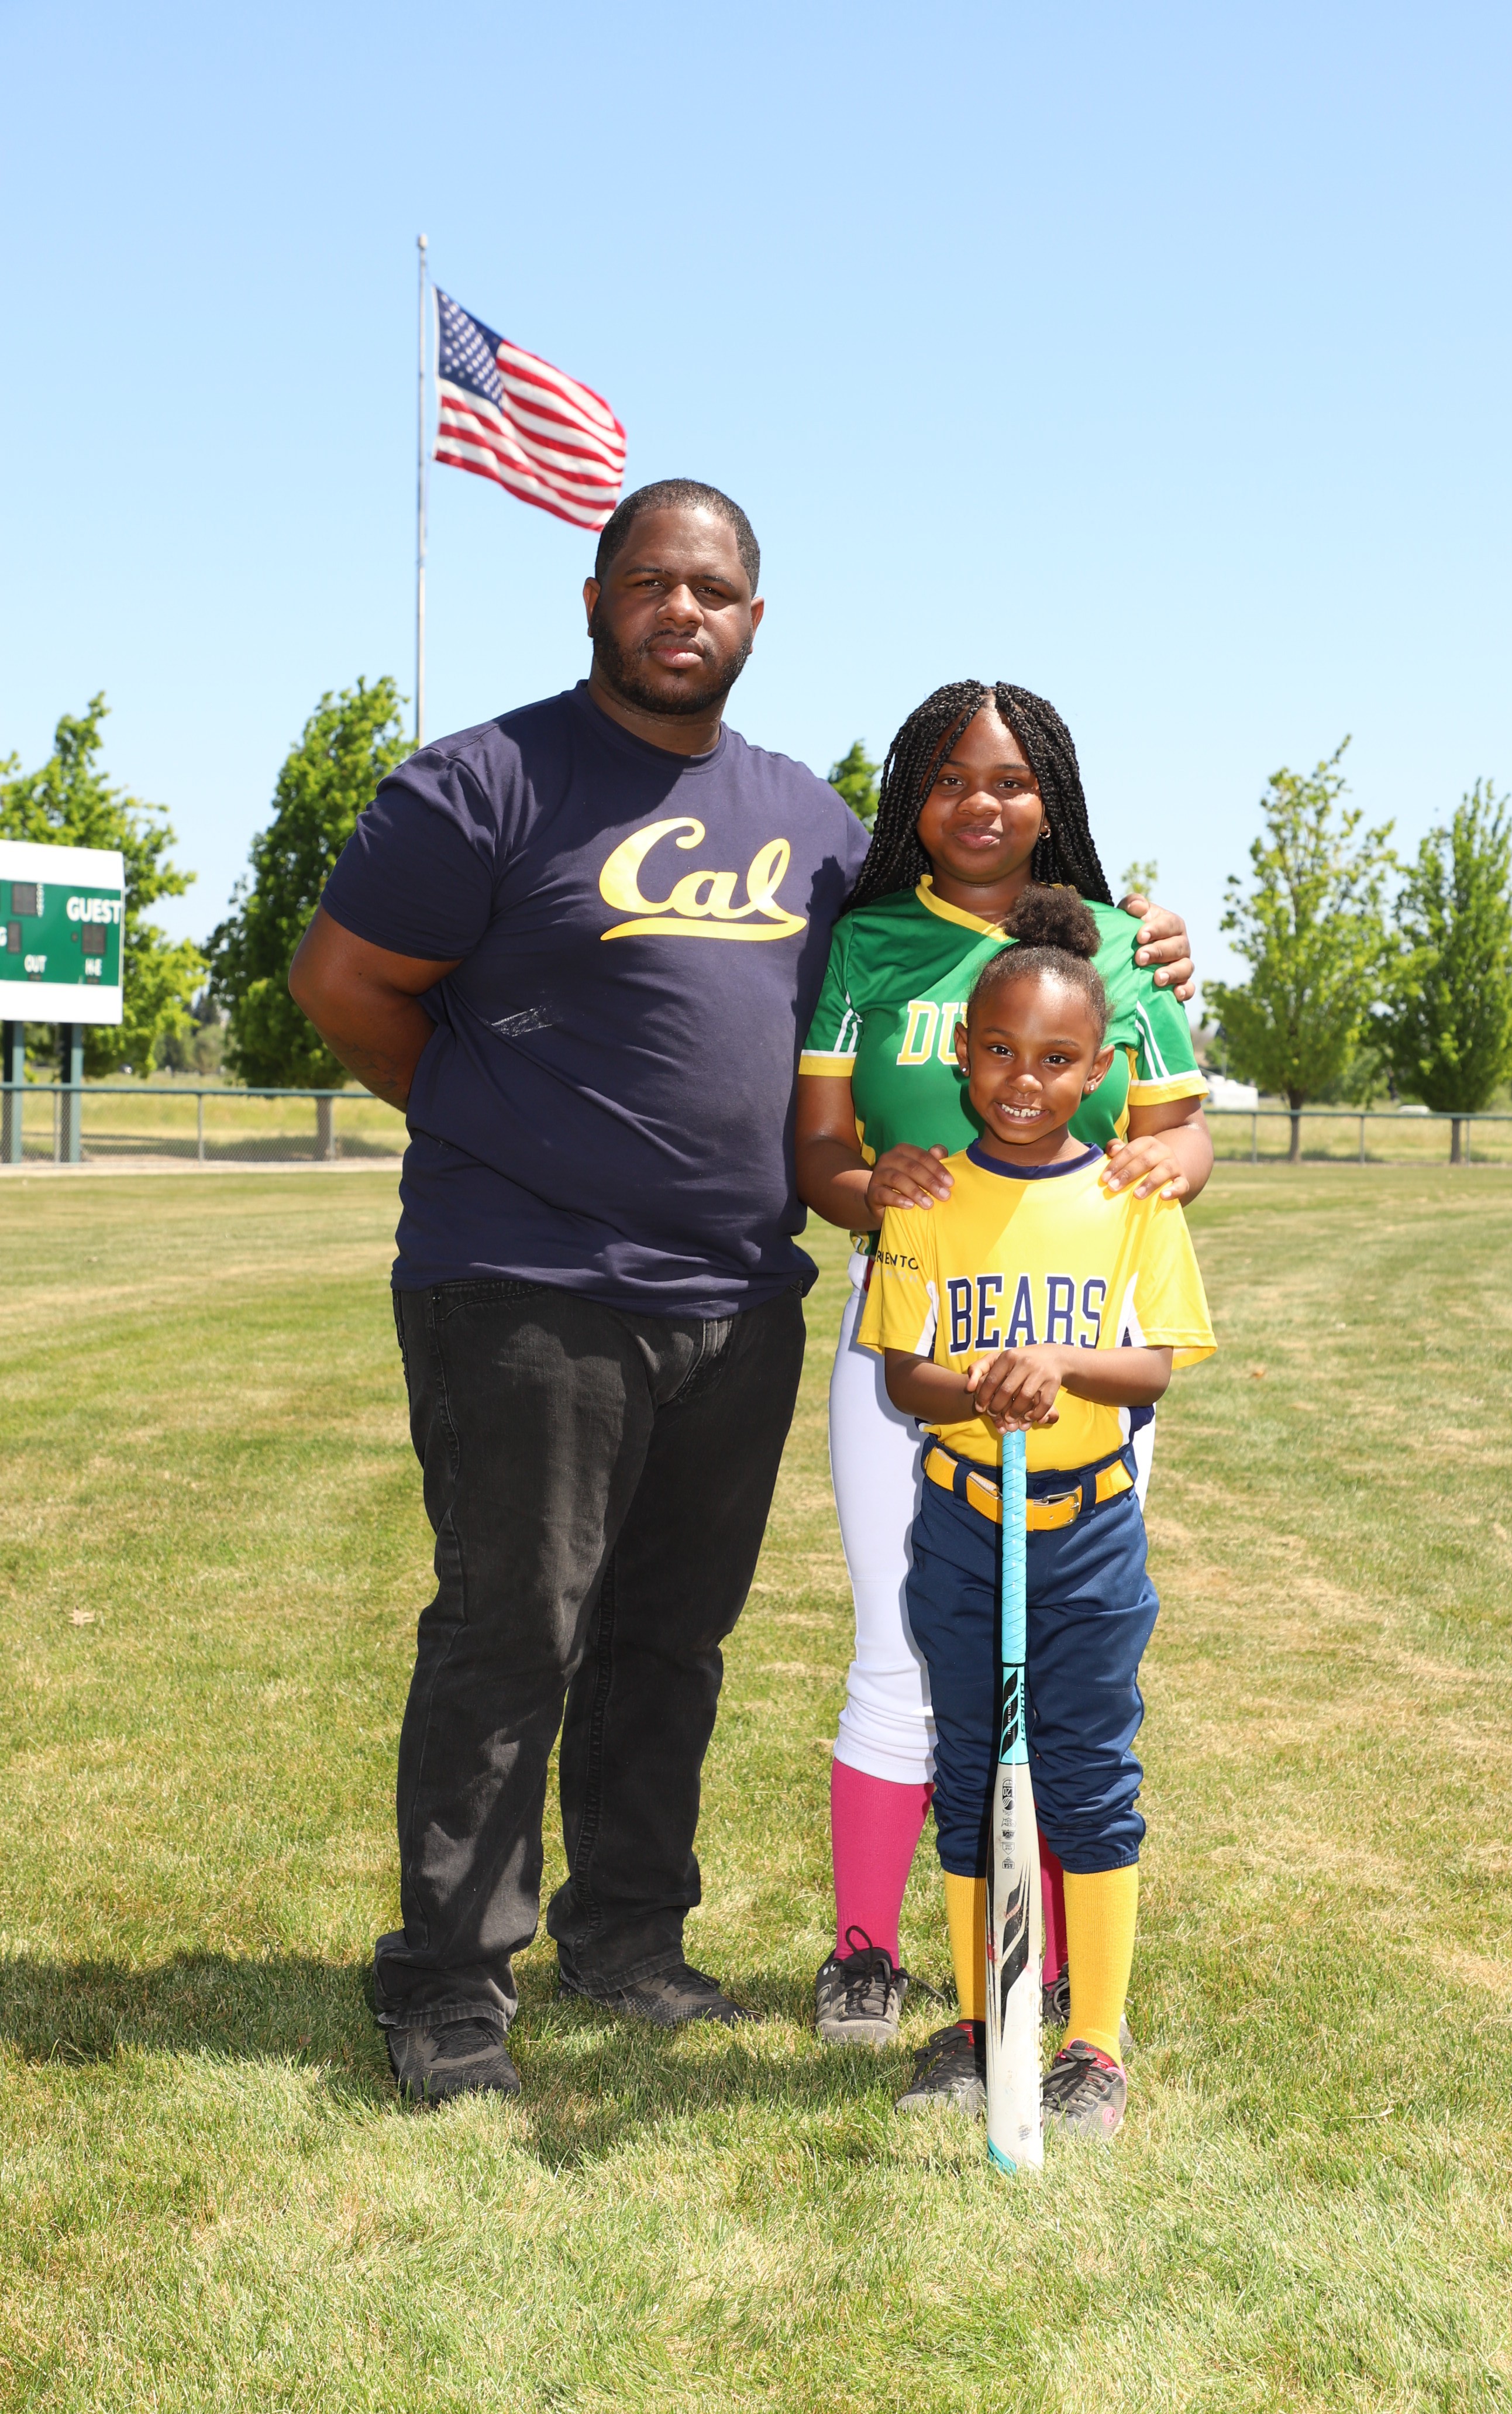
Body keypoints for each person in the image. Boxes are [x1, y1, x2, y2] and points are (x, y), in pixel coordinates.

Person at [290, 479, 1197, 2106]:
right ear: (594, 600)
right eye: (649, 582)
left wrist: (1134, 944)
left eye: (711, 590)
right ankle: (448, 1983)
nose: (680, 611)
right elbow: (343, 985)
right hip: (530, 1281)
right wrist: (501, 1123)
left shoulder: (813, 821)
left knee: (670, 1637)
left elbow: (963, 937)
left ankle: (627, 1938)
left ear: (755, 620)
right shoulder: (487, 782)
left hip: (736, 1293)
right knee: (515, 1628)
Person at [795, 682, 1210, 2047]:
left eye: (1012, 780)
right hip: (914, 1324)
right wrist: (872, 1185)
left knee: (1067, 1663)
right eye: (951, 778)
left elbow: (1180, 1137)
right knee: (901, 1643)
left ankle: (1061, 1975)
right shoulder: (867, 943)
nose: (981, 803)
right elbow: (819, 1155)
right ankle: (867, 1953)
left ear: (1054, 799)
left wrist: (1158, 1170)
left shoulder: (1119, 944)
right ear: (912, 796)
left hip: (1081, 1338)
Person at [857, 888, 1215, 2137]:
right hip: (963, 1525)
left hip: (1090, 1530)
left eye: (1058, 1059)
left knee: (1087, 1774)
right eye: (1001, 1051)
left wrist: (1053, 1366)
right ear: (962, 1053)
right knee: (973, 1771)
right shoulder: (922, 1198)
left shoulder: (1131, 1196)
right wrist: (982, 1386)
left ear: (1099, 1072)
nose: (1025, 1079)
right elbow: (905, 1376)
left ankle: (1094, 2044)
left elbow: (1151, 1369)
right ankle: (979, 2023)